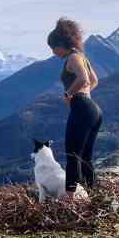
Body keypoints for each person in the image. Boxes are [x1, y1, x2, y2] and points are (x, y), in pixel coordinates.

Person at [47, 17, 102, 193]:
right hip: (93, 109)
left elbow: (84, 79)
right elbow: (94, 81)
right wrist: (85, 93)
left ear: (61, 44)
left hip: (81, 108)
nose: (53, 52)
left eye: (53, 48)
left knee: (73, 156)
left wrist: (69, 94)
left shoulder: (72, 58)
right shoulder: (82, 57)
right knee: (86, 158)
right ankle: (93, 195)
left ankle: (71, 200)